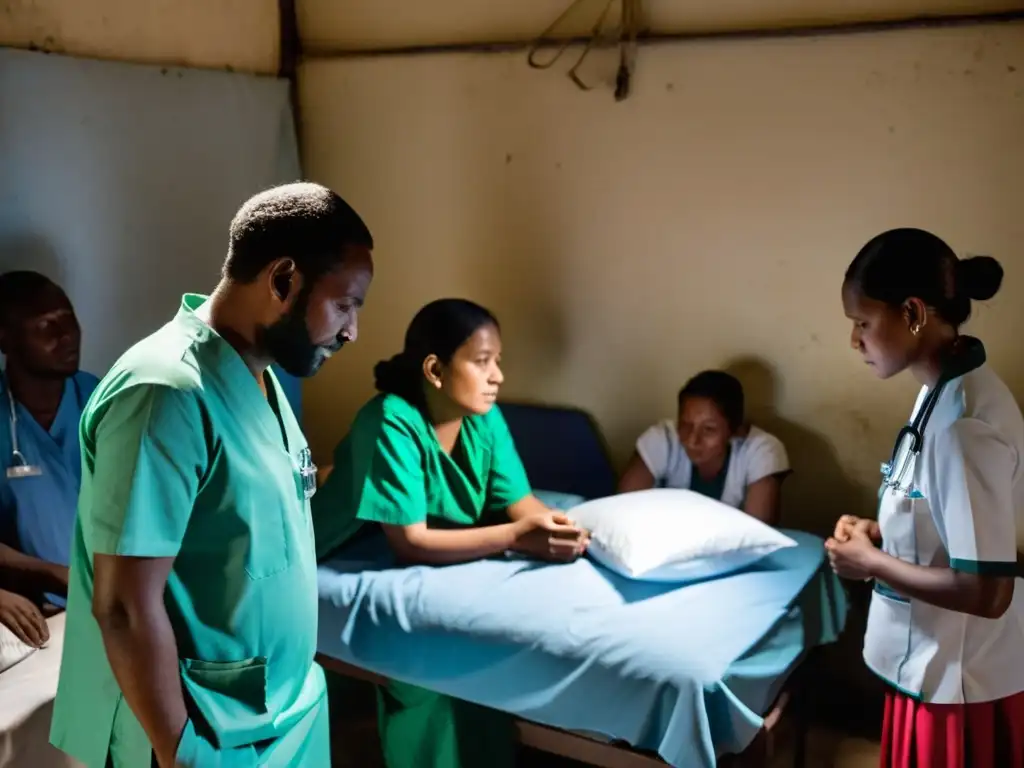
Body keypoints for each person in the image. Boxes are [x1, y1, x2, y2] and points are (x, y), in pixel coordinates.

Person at [49, 182, 375, 768]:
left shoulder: (263, 378)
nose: (352, 331)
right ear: (283, 281)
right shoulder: (164, 393)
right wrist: (184, 754)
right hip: (201, 731)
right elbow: (122, 607)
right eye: (346, 304)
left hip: (275, 709)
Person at [312, 297, 588, 768]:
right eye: (483, 362)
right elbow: (411, 542)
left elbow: (518, 501)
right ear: (436, 370)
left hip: (405, 531)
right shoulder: (390, 420)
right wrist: (517, 537)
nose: (498, 375)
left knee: (478, 655)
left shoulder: (484, 416)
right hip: (342, 544)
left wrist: (552, 526)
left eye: (497, 361)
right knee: (430, 666)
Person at [826, 228, 1024, 768]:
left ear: (912, 313)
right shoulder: (937, 390)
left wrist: (872, 564)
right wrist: (879, 533)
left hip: (956, 687)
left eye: (862, 323)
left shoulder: (965, 427)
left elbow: (987, 591)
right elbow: (940, 517)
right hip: (930, 669)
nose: (855, 340)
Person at [0, 271, 98, 641]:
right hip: (36, 616)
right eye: (46, 326)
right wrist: (52, 575)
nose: (67, 336)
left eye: (68, 319)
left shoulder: (104, 401)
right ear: (4, 338)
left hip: (114, 602)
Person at [617, 370, 790, 525]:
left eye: (709, 429)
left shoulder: (761, 450)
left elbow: (758, 535)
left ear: (736, 430)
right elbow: (621, 511)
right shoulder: (663, 439)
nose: (692, 441)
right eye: (685, 425)